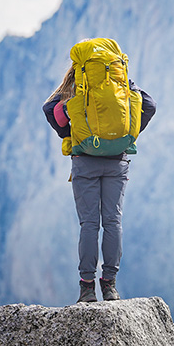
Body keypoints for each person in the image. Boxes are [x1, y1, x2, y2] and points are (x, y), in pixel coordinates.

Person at [42, 48, 156, 303]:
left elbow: (49, 109)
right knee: (113, 222)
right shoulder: (122, 85)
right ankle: (110, 286)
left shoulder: (75, 87)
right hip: (117, 162)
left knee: (89, 225)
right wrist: (128, 136)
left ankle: (86, 289)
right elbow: (149, 105)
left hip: (85, 163)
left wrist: (71, 136)